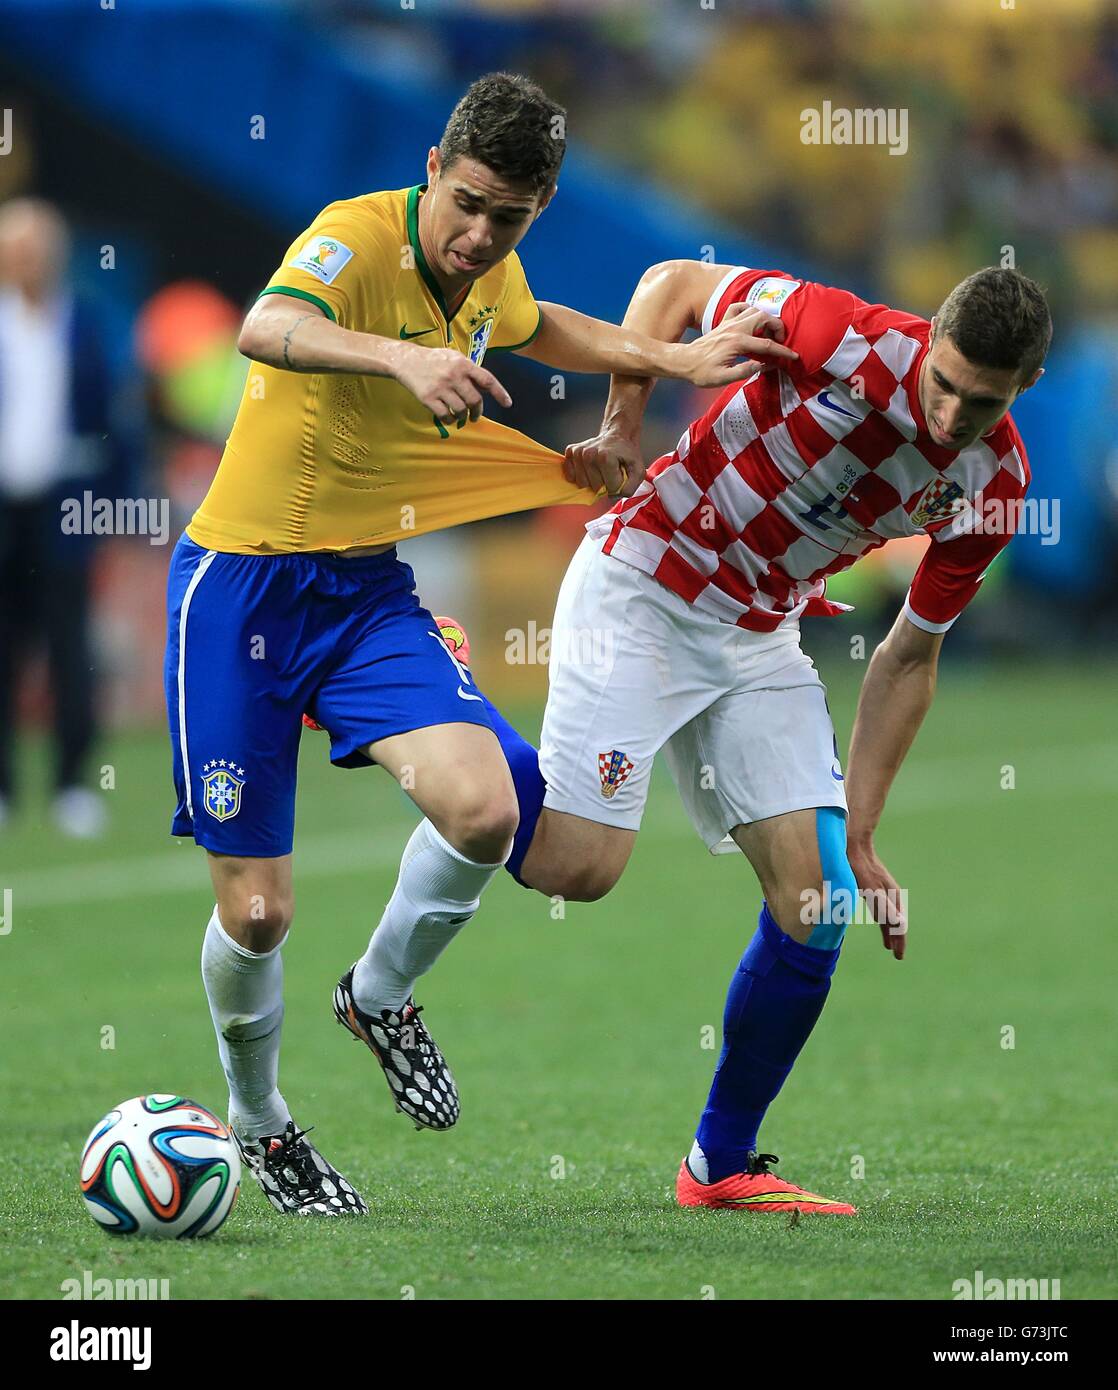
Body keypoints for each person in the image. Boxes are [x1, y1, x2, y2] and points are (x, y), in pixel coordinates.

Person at [168, 71, 791, 1216]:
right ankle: (259, 1123)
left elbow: (536, 322)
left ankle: (378, 995)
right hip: (239, 595)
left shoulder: (491, 268)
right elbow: (267, 325)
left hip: (361, 595)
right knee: (256, 912)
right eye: (463, 205)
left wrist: (666, 363)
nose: (474, 235)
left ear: (537, 209)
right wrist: (400, 358)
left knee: (488, 811)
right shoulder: (354, 238)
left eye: (505, 218)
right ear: (432, 173)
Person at [452, 259, 1051, 1214]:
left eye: (980, 403)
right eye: (943, 383)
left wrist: (860, 830)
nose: (948, 417)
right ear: (928, 342)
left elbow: (908, 658)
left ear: (1025, 390)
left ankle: (717, 1164)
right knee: (577, 869)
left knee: (821, 901)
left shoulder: (994, 484)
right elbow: (669, 285)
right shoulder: (838, 331)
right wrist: (621, 425)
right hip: (648, 573)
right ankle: (442, 690)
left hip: (757, 630)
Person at [0, 198, 121, 839]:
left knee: (71, 650)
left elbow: (110, 422)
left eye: (38, 250)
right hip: (3, 511)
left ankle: (73, 783)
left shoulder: (83, 322)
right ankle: (3, 786)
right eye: (17, 250)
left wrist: (105, 502)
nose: (27, 262)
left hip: (62, 512)